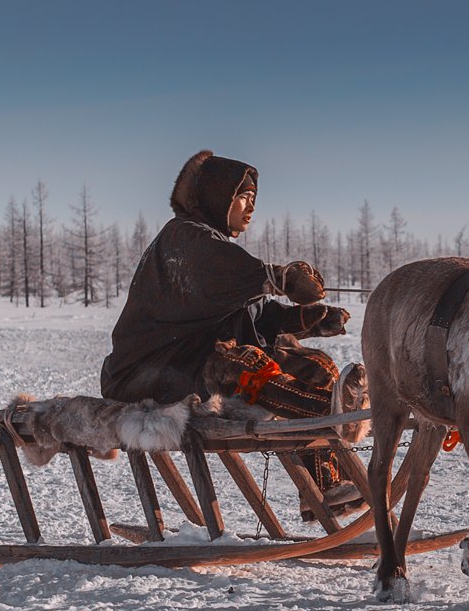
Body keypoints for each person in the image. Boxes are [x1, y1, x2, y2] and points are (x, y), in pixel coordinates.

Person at [101, 150, 366, 515]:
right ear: (217, 197)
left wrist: (307, 320)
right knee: (243, 363)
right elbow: (228, 274)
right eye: (243, 196)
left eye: (254, 199)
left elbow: (249, 315)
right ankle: (331, 413)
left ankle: (327, 487)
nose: (251, 207)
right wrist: (280, 278)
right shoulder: (183, 239)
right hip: (147, 372)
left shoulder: (215, 247)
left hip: (190, 363)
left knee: (314, 367)